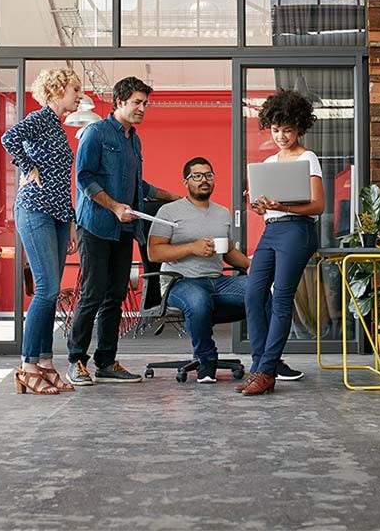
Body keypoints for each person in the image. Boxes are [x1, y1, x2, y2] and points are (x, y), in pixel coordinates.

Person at [66, 76, 181, 386]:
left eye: (145, 103)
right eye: (137, 103)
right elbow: (85, 178)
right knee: (92, 294)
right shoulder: (95, 133)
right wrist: (115, 206)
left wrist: (171, 196)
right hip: (96, 226)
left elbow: (136, 185)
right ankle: (76, 360)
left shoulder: (134, 139)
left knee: (115, 296)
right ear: (119, 103)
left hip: (125, 231)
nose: (143, 108)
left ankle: (105, 361)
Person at [2, 68, 82, 395]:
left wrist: (73, 222)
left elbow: (64, 183)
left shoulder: (59, 129)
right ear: (57, 90)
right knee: (47, 290)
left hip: (60, 214)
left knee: (51, 292)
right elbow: (9, 138)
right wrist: (27, 166)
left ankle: (46, 363)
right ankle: (27, 366)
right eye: (75, 89)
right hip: (34, 210)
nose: (79, 95)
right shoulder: (40, 118)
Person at [239, 89, 324, 396]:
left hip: (298, 230)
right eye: (275, 130)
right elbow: (265, 209)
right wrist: (260, 206)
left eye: (287, 130)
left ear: (299, 127)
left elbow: (318, 206)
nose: (281, 136)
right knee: (253, 292)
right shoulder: (270, 161)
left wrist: (283, 206)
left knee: (281, 297)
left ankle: (266, 370)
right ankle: (260, 365)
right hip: (272, 229)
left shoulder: (307, 158)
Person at [147, 157, 254, 383]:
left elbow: (228, 252)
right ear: (186, 182)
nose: (204, 180)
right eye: (197, 176)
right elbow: (154, 253)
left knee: (259, 291)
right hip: (180, 281)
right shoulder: (169, 211)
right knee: (198, 301)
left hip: (217, 280)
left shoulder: (222, 213)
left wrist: (249, 265)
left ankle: (266, 360)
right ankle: (207, 361)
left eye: (208, 175)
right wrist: (191, 248)